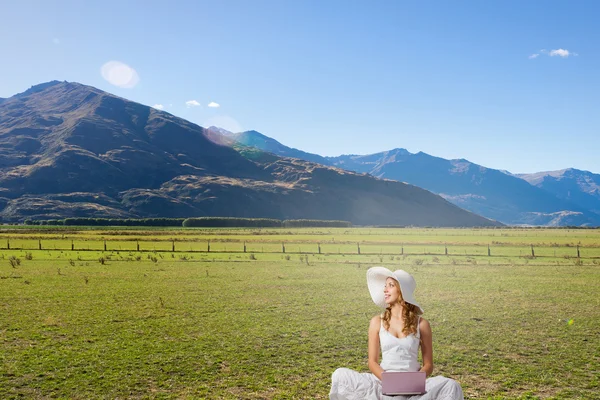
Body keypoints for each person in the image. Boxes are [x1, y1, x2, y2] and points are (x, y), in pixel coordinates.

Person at [329, 267, 464, 400]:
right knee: (340, 375)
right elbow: (372, 362)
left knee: (451, 386)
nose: (385, 290)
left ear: (402, 291)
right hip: (383, 383)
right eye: (385, 286)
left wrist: (413, 381)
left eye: (391, 285)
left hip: (413, 387)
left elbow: (428, 365)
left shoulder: (422, 324)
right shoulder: (377, 322)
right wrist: (389, 381)